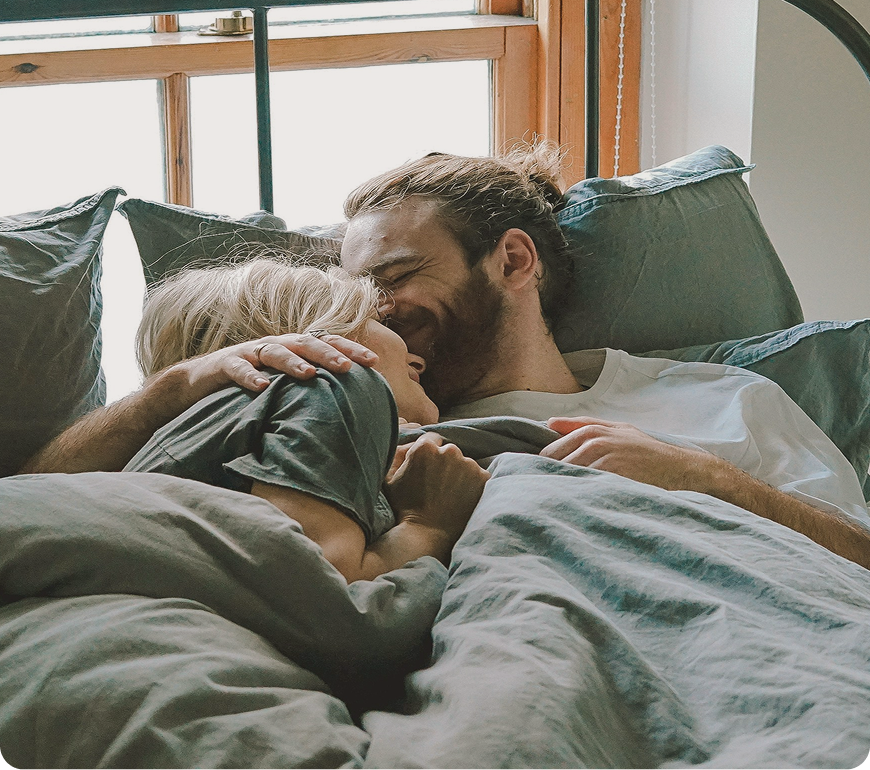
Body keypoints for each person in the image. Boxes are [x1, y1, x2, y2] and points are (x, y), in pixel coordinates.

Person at [23, 142, 870, 571]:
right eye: (357, 294)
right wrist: (169, 390)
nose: (375, 312)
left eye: (395, 277)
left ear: (513, 262)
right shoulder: (343, 398)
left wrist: (709, 481)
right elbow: (55, 502)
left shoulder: (721, 401)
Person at [35, 258, 490, 585]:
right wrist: (428, 528)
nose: (417, 356)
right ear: (320, 332)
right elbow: (325, 596)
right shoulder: (326, 386)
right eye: (375, 317)